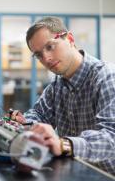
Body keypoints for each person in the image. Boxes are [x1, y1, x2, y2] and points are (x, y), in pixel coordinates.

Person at [10, 16, 115, 175]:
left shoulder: (107, 78)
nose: (46, 58)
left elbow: (111, 139)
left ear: (70, 39)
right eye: (38, 55)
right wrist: (25, 122)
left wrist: (65, 145)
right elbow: (39, 114)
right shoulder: (56, 85)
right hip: (77, 172)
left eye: (50, 46)